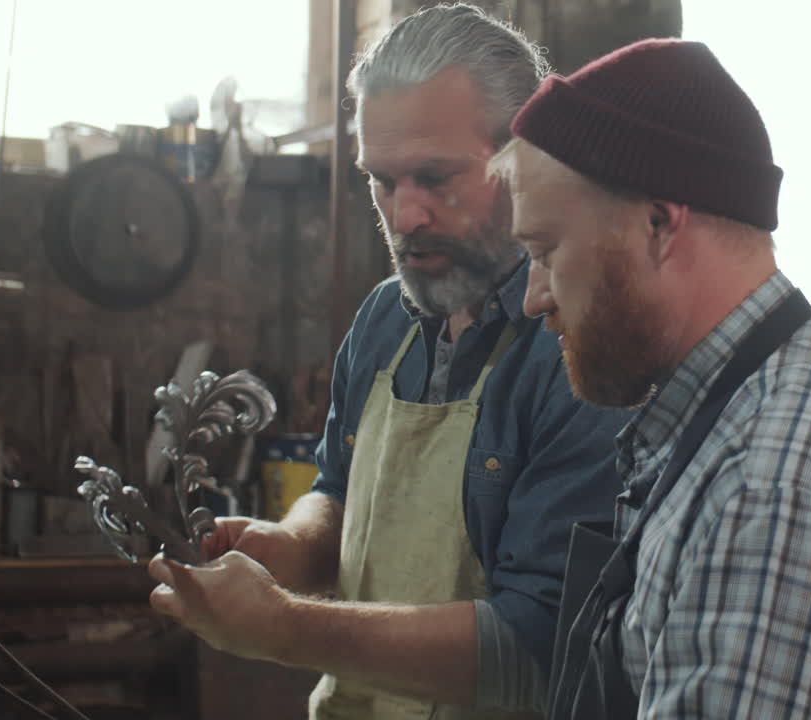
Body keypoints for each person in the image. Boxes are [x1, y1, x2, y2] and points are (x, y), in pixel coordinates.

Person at [146, 5, 629, 719]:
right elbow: (338, 490)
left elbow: (541, 645)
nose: (404, 216)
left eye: (436, 178)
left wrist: (282, 627)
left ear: (525, 152)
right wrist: (292, 545)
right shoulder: (383, 319)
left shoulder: (578, 348)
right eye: (382, 180)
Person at [488, 38, 811, 719]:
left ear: (660, 224)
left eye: (546, 252)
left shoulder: (771, 492)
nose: (534, 297)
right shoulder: (746, 411)